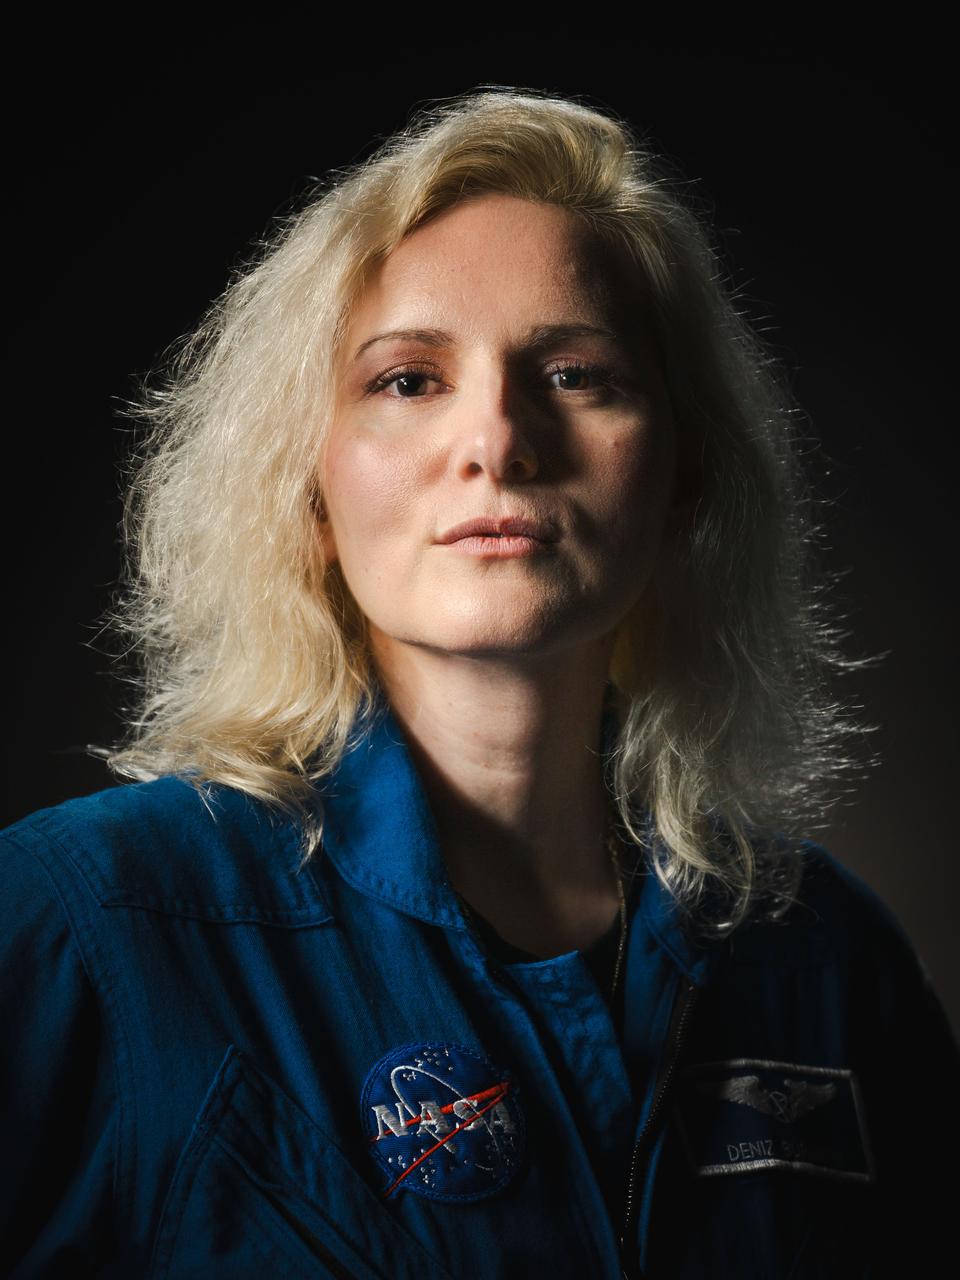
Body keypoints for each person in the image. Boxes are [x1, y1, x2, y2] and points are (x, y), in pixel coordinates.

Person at [1, 87, 957, 1280]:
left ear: (684, 476)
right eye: (408, 379)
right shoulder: (81, 920)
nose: (498, 439)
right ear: (307, 484)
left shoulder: (830, 958)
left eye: (574, 373)